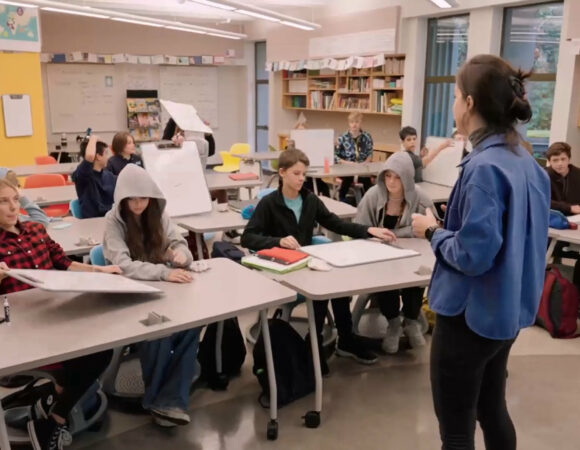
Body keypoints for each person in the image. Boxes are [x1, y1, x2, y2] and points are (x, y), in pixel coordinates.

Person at [411, 54, 550, 450]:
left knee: (456, 430)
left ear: (469, 103)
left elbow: (473, 256)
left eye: (455, 96)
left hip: (469, 317)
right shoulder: (527, 162)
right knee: (492, 409)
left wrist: (433, 231)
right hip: (505, 314)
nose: (453, 105)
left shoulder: (484, 167)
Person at [241, 149, 396, 373]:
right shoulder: (269, 204)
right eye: (296, 173)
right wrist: (278, 241)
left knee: (337, 282)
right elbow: (248, 237)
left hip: (304, 264)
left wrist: (369, 229)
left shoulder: (310, 200)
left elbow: (336, 224)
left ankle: (343, 339)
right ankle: (316, 344)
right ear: (282, 173)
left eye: (304, 174)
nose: (301, 178)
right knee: (323, 288)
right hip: (281, 270)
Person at [0, 178, 121, 450]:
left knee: (101, 350)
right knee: (82, 361)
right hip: (23, 329)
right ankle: (54, 414)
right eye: (3, 201)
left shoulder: (34, 229)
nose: (12, 207)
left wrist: (100, 271)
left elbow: (64, 264)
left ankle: (53, 410)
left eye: (15, 199)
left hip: (57, 315)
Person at [103, 164, 201, 427]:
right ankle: (163, 400)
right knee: (159, 332)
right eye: (132, 199)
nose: (138, 204)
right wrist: (163, 272)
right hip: (131, 294)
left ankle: (165, 401)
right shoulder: (113, 221)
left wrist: (182, 254)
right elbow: (123, 265)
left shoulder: (158, 213)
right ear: (122, 198)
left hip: (165, 290)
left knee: (193, 324)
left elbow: (179, 242)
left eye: (143, 198)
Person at [356, 152, 438, 353]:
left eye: (397, 177)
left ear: (407, 178)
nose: (391, 182)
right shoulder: (373, 196)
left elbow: (432, 229)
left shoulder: (421, 198)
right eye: (388, 176)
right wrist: (407, 231)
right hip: (378, 256)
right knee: (387, 279)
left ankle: (410, 320)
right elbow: (359, 229)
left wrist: (394, 233)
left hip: (413, 255)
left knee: (418, 276)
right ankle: (393, 323)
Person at [71, 135, 116, 219]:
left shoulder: (109, 175)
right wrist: (94, 138)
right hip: (92, 223)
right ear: (98, 156)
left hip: (110, 219)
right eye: (106, 153)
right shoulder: (83, 176)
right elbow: (90, 156)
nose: (108, 157)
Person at [334, 112, 374, 203]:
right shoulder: (343, 137)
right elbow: (335, 156)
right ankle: (342, 199)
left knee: (367, 181)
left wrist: (366, 162)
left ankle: (368, 202)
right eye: (352, 122)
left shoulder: (367, 136)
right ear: (349, 123)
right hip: (347, 167)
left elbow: (370, 153)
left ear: (361, 123)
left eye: (357, 122)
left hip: (362, 168)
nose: (354, 125)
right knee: (348, 177)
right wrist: (347, 163)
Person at [545, 141, 580, 216]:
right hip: (551, 217)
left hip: (576, 217)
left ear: (569, 159)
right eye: (555, 160)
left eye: (563, 159)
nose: (560, 163)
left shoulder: (578, 174)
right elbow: (541, 200)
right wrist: (569, 208)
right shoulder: (543, 175)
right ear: (549, 162)